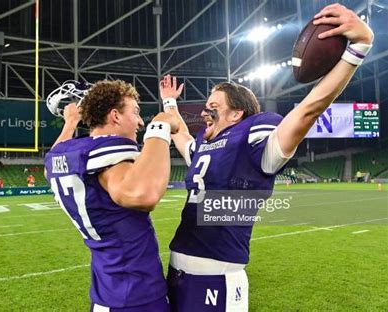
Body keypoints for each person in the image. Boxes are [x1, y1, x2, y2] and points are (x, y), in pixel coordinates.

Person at [159, 5, 373, 311]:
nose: (205, 112)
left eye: (213, 106)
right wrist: (169, 102)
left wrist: (359, 47)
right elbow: (178, 133)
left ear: (237, 113)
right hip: (177, 271)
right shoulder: (204, 146)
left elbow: (309, 108)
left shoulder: (252, 137)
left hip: (216, 277)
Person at [44, 80, 179, 311]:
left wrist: (70, 123)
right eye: (135, 112)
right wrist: (159, 126)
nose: (139, 121)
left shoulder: (67, 155)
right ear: (115, 115)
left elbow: (51, 164)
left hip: (105, 293)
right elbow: (143, 195)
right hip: (136, 294)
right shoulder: (109, 157)